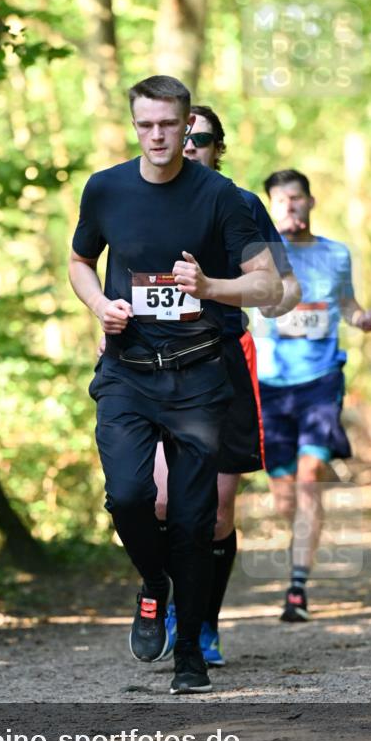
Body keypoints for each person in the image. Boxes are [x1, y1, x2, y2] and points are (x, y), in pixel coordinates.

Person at [69, 75, 281, 694]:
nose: (157, 136)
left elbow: (268, 286)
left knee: (194, 519)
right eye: (145, 125)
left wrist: (211, 288)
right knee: (131, 497)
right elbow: (81, 261)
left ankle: (189, 650)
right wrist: (97, 306)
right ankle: (153, 583)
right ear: (134, 124)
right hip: (127, 373)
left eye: (168, 125)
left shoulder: (222, 198)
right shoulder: (105, 189)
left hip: (199, 377)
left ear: (188, 125)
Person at [154, 106, 301, 666]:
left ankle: (203, 622)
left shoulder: (242, 205)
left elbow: (284, 286)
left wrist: (266, 295)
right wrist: (106, 321)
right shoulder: (136, 195)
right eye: (181, 137)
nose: (188, 146)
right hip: (154, 362)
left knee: (216, 510)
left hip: (222, 358)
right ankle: (164, 596)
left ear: (219, 148)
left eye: (202, 139)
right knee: (162, 500)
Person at [255, 169, 371, 622]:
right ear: (270, 209)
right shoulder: (258, 257)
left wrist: (363, 318)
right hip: (270, 386)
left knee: (309, 476)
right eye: (279, 201)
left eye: (295, 198)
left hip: (321, 381)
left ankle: (297, 586)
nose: (289, 206)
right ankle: (300, 543)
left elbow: (346, 304)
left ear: (311, 202)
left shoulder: (336, 254)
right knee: (285, 496)